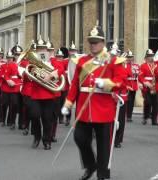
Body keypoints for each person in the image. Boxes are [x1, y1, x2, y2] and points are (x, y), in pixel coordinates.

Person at [61, 24, 126, 180]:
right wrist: (68, 103)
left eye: (96, 41)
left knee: (104, 145)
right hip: (84, 109)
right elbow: (75, 84)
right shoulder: (82, 61)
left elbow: (121, 81)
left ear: (103, 43)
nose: (93, 44)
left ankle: (103, 174)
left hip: (104, 109)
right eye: (91, 41)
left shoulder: (113, 60)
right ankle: (91, 165)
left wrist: (106, 83)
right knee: (79, 138)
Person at [29, 35, 64, 150]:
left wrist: (53, 74)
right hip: (35, 93)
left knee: (47, 118)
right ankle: (37, 136)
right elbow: (27, 71)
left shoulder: (53, 61)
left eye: (43, 48)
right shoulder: (33, 60)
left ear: (47, 50)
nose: (41, 50)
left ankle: (47, 140)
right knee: (34, 115)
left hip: (49, 94)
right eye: (39, 48)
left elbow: (61, 68)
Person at [0, 49, 21, 129]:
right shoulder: (3, 66)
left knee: (14, 105)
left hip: (14, 87)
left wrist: (20, 77)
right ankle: (4, 120)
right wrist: (8, 80)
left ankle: (12, 122)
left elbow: (18, 75)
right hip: (6, 88)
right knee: (4, 105)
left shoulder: (16, 65)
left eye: (10, 58)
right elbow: (1, 75)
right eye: (8, 57)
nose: (9, 59)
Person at [138, 49, 157, 125]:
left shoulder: (156, 65)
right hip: (147, 86)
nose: (150, 57)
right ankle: (146, 117)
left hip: (155, 86)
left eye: (151, 56)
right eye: (149, 56)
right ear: (146, 57)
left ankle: (154, 119)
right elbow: (140, 76)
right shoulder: (143, 65)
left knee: (156, 103)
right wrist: (144, 82)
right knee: (148, 102)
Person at [124, 50, 139, 123]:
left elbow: (138, 73)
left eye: (131, 57)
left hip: (134, 85)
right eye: (128, 57)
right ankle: (127, 115)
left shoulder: (136, 65)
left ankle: (130, 115)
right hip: (128, 85)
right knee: (128, 101)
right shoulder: (124, 65)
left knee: (132, 102)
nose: (130, 59)